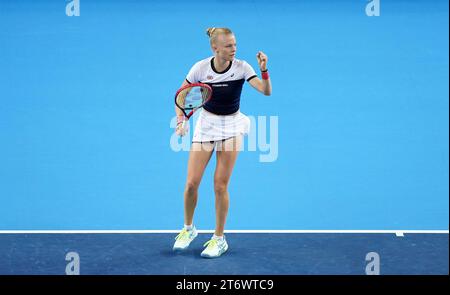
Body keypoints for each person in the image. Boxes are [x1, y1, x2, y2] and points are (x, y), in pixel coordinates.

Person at [173, 27, 272, 258]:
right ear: (214, 47)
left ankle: (219, 239)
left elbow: (266, 91)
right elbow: (181, 97)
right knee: (191, 184)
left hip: (232, 126)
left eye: (235, 44)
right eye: (228, 46)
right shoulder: (199, 68)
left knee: (219, 185)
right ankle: (188, 229)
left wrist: (264, 70)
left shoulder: (242, 67)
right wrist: (181, 121)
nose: (234, 49)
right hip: (206, 124)